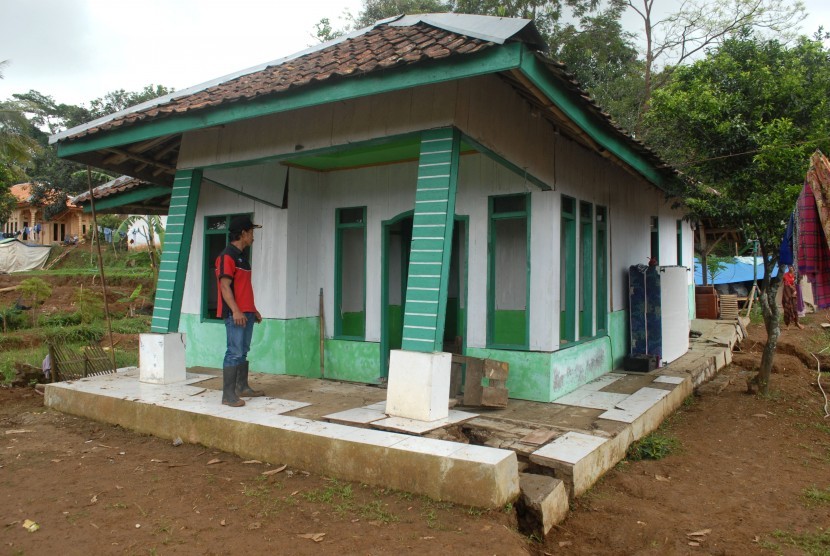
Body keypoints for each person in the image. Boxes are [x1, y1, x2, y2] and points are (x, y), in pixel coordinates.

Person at [215, 215, 264, 406]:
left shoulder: (242, 257)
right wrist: (236, 311)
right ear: (243, 233)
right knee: (234, 352)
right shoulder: (227, 256)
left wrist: (253, 309)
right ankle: (228, 395)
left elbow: (243, 288)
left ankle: (241, 387)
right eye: (251, 232)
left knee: (243, 351)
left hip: (246, 312)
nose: (253, 236)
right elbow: (224, 287)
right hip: (236, 314)